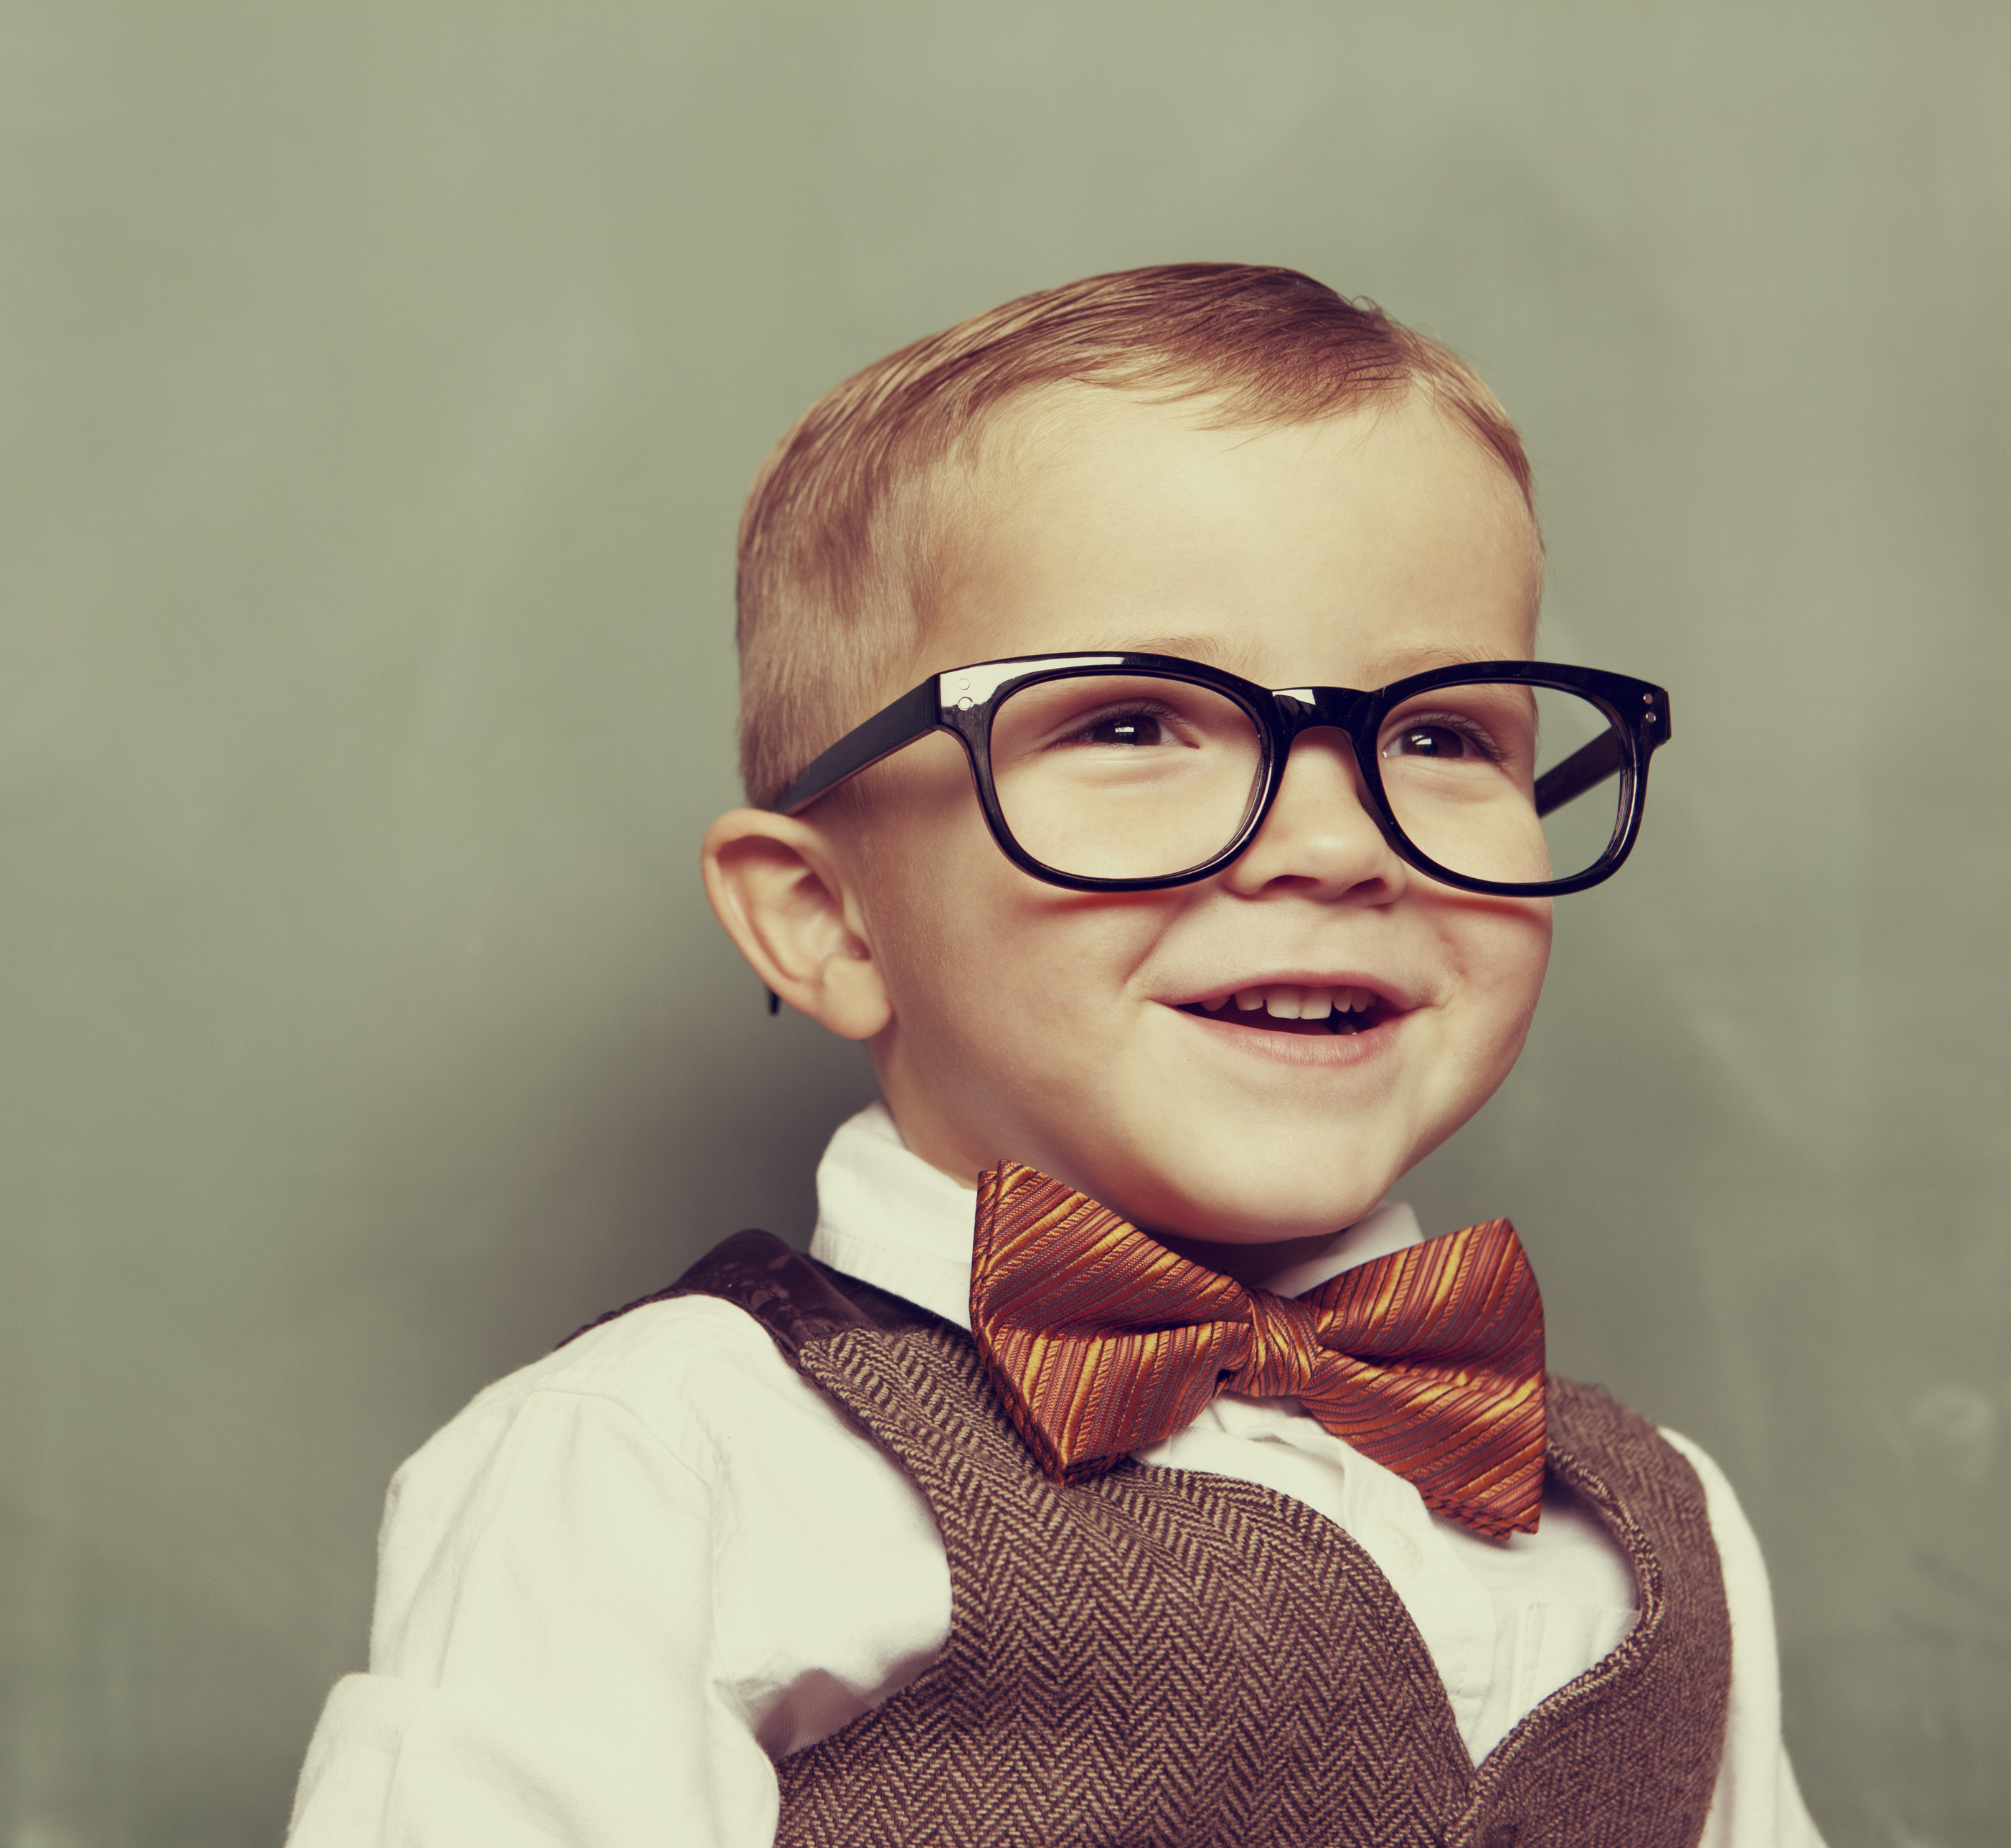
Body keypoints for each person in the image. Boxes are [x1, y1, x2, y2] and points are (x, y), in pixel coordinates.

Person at [285, 264, 1822, 1846]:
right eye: (1133, 724)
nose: (1335, 842)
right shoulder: (659, 1467)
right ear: (827, 920)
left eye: (1443, 736)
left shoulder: (1663, 1516)